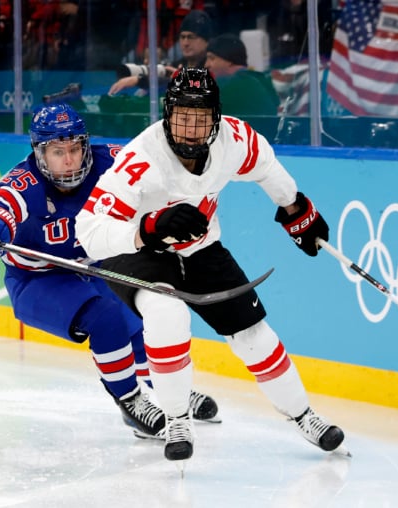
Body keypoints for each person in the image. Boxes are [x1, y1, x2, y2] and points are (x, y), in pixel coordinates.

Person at [75, 68, 346, 464]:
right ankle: (177, 418)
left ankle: (304, 415)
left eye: (200, 119)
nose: (190, 128)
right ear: (167, 114)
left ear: (216, 119)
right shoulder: (139, 161)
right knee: (166, 313)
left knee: (253, 334)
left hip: (201, 246)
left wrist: (294, 208)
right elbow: (89, 231)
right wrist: (147, 230)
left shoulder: (233, 141)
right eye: (182, 116)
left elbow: (266, 166)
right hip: (137, 249)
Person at [0, 103, 220, 440]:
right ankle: (131, 402)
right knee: (105, 319)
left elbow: (155, 164)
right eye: (57, 152)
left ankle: (172, 394)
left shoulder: (110, 161)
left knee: (142, 325)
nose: (69, 160)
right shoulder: (24, 185)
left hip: (94, 269)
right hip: (38, 280)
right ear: (39, 154)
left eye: (74, 148)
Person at [108, 9, 212, 96]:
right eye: (182, 37)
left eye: (191, 37)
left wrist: (139, 80)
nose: (185, 43)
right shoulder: (175, 66)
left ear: (206, 41)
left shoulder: (211, 66)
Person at [204, 33, 279, 116]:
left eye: (212, 58)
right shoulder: (258, 80)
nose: (206, 65)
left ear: (229, 59)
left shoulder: (233, 86)